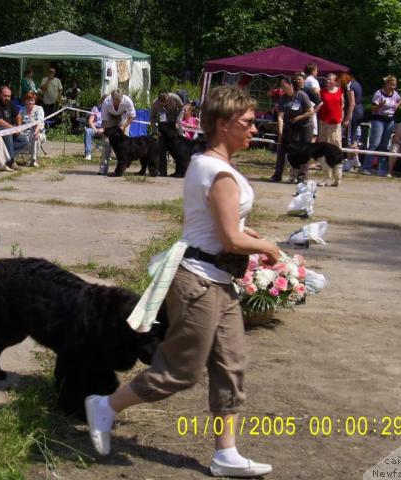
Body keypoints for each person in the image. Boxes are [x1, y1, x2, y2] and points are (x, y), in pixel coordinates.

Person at [84, 85, 280, 478]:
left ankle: (226, 454)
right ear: (223, 125)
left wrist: (250, 233)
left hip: (217, 280)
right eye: (247, 123)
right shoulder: (218, 171)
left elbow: (225, 225)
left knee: (232, 363)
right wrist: (271, 249)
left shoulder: (208, 163)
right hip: (200, 283)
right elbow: (229, 239)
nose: (254, 130)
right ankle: (105, 406)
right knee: (181, 370)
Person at [269, 74, 314, 182]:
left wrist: (299, 117)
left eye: (284, 86)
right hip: (291, 125)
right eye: (281, 86)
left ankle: (302, 176)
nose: (282, 88)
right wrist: (280, 133)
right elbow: (280, 117)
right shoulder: (283, 99)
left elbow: (311, 111)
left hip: (305, 125)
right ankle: (277, 175)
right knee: (282, 149)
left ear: (290, 85)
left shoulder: (301, 95)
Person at [362, 75, 401, 175]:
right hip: (378, 120)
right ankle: (366, 167)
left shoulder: (395, 94)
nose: (393, 87)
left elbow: (400, 100)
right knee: (375, 143)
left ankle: (382, 169)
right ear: (386, 84)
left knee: (384, 145)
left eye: (394, 85)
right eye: (391, 85)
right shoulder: (379, 93)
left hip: (390, 121)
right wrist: (380, 105)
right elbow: (373, 109)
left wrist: (397, 105)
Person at [99, 89, 136, 175]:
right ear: (112, 99)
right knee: (106, 143)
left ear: (122, 98)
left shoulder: (127, 101)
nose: (118, 103)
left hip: (123, 119)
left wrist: (123, 126)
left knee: (125, 145)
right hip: (110, 119)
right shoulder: (106, 101)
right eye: (116, 101)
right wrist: (109, 131)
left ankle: (121, 168)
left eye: (119, 101)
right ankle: (103, 168)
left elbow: (132, 116)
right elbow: (104, 120)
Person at [0, 85, 28, 167]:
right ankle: (11, 161)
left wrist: (18, 127)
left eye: (9, 96)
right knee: (8, 134)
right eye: (5, 96)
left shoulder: (9, 102)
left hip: (10, 129)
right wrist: (13, 129)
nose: (7, 98)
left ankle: (3, 159)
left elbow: (18, 115)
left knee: (24, 140)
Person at [338, 73, 364, 170]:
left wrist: (347, 119)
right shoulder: (357, 83)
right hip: (361, 110)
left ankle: (349, 161)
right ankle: (356, 160)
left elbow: (352, 103)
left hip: (354, 112)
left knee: (349, 139)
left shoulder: (349, 86)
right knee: (353, 137)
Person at [316, 73, 344, 148]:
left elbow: (342, 106)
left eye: (331, 79)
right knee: (323, 141)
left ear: (335, 82)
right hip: (324, 120)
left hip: (336, 120)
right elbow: (319, 104)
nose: (328, 81)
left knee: (335, 141)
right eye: (327, 79)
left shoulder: (340, 91)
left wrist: (342, 117)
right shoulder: (322, 92)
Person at [20, 92, 46, 167]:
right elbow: (19, 122)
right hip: (24, 133)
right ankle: (10, 160)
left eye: (32, 100)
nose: (30, 102)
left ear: (34, 101)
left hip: (37, 132)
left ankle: (33, 160)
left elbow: (40, 122)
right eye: (28, 100)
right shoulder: (22, 109)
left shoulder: (39, 109)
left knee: (35, 137)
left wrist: (36, 132)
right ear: (25, 101)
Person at [83, 95, 106, 161]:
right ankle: (88, 154)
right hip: (94, 128)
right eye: (103, 101)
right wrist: (95, 130)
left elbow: (110, 123)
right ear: (101, 101)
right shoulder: (95, 108)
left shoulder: (109, 110)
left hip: (105, 130)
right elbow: (90, 121)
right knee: (87, 131)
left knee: (111, 133)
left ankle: (106, 154)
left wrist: (103, 129)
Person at [303, 63, 321, 138]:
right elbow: (316, 92)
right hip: (312, 106)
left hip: (304, 106)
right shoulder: (313, 81)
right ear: (313, 71)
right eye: (316, 70)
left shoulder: (304, 80)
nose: (317, 72)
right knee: (314, 131)